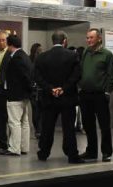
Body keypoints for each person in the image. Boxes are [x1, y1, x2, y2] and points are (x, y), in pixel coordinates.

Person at [33, 31, 84, 163]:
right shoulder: (73, 56)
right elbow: (77, 75)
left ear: (52, 41)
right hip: (67, 97)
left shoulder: (42, 57)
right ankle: (72, 154)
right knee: (69, 128)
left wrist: (50, 89)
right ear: (64, 41)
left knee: (47, 127)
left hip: (49, 98)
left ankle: (43, 153)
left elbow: (37, 77)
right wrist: (64, 88)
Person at [78, 28, 113, 162]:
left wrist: (107, 91)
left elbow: (112, 76)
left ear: (99, 38)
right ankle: (91, 151)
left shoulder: (107, 55)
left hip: (100, 95)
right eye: (87, 37)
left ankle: (106, 152)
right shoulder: (85, 52)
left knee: (104, 125)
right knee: (88, 125)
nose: (88, 40)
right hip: (85, 95)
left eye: (91, 38)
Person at [0, 34, 33, 157]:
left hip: (15, 95)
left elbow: (23, 77)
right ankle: (24, 147)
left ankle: (14, 148)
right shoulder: (24, 56)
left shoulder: (16, 58)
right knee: (24, 122)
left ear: (10, 44)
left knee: (14, 122)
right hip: (24, 95)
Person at [30, 43, 44, 138]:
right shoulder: (30, 61)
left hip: (41, 89)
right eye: (38, 51)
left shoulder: (43, 61)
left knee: (40, 111)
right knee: (36, 111)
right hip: (33, 90)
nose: (40, 52)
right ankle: (38, 130)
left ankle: (39, 130)